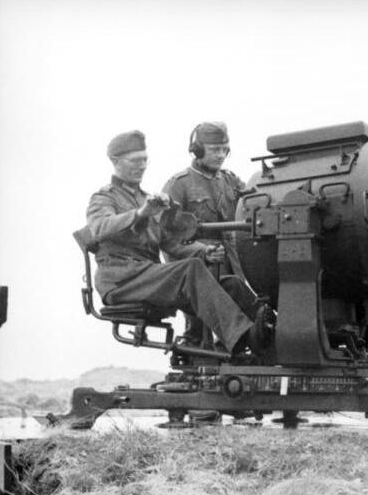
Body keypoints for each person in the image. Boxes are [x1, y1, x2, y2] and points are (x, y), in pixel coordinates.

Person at [87, 129, 256, 355]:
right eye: (135, 160)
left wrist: (204, 251)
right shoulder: (104, 198)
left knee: (231, 285)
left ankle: (267, 334)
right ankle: (244, 337)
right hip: (121, 281)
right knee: (191, 270)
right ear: (115, 161)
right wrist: (141, 213)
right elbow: (99, 227)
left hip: (146, 275)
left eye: (145, 159)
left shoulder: (146, 199)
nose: (142, 165)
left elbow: (171, 243)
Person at [162, 121, 252, 347]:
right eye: (214, 150)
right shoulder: (178, 185)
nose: (221, 155)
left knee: (237, 318)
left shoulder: (230, 180)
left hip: (232, 261)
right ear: (197, 150)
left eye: (225, 150)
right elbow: (167, 239)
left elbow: (253, 202)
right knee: (200, 334)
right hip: (198, 267)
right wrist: (201, 252)